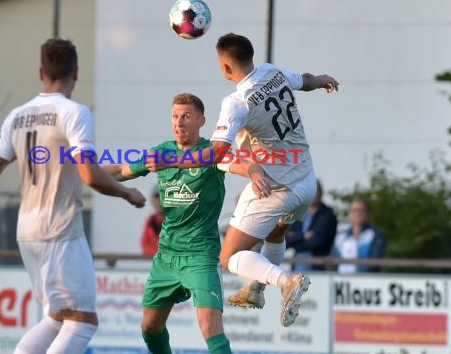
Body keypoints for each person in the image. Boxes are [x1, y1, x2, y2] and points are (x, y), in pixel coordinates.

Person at [145, 33, 339, 327]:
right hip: (306, 182)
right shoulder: (273, 72)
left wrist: (173, 160)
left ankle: (286, 281)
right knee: (275, 233)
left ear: (225, 67)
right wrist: (322, 78)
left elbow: (217, 152)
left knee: (229, 256)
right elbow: (307, 80)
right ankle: (256, 289)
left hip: (274, 187)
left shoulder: (236, 102)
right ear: (251, 55)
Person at [0, 38, 145, 354]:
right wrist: (127, 193)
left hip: (27, 231)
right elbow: (89, 175)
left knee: (57, 318)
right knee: (83, 321)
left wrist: (126, 170)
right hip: (61, 230)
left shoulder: (18, 115)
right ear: (76, 72)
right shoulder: (74, 112)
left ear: (41, 72)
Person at [105, 93, 262, 354]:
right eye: (175, 116)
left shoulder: (212, 153)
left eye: (186, 116)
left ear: (201, 120)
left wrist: (255, 172)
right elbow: (122, 171)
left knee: (210, 328)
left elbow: (241, 163)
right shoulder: (161, 153)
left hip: (200, 255)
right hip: (166, 255)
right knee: (149, 328)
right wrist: (85, 172)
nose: (179, 122)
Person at [286, 179, 338, 271]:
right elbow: (285, 239)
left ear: (321, 193)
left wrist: (295, 239)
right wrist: (303, 236)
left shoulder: (327, 215)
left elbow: (317, 241)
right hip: (297, 263)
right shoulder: (297, 213)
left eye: (315, 190)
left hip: (318, 266)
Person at [333, 198, 386, 273]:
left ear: (368, 213)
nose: (358, 213)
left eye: (362, 210)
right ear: (349, 213)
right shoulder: (341, 236)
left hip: (363, 281)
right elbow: (332, 259)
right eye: (355, 210)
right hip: (340, 280)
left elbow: (375, 261)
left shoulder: (376, 234)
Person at [140, 188, 164, 256]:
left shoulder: (176, 219)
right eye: (157, 197)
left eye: (162, 197)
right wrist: (159, 254)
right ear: (152, 200)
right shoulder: (151, 219)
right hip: (158, 263)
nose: (159, 201)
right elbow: (144, 243)